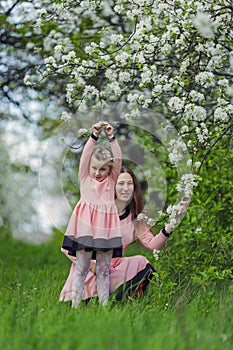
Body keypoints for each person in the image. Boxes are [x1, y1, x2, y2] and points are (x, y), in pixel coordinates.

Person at [60, 166, 190, 303]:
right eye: (121, 183)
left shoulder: (135, 218)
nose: (126, 188)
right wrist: (92, 265)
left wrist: (173, 221)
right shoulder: (97, 211)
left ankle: (126, 303)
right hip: (87, 272)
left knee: (140, 262)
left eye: (130, 184)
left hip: (111, 272)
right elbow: (68, 249)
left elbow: (154, 245)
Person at [61, 121, 122, 307]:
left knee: (103, 270)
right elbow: (86, 156)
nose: (97, 172)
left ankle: (104, 307)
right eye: (94, 168)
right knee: (81, 268)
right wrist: (94, 135)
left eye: (103, 169)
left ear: (109, 170)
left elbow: (118, 159)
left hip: (105, 231)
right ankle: (75, 306)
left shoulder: (111, 181)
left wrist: (111, 137)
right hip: (85, 229)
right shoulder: (85, 179)